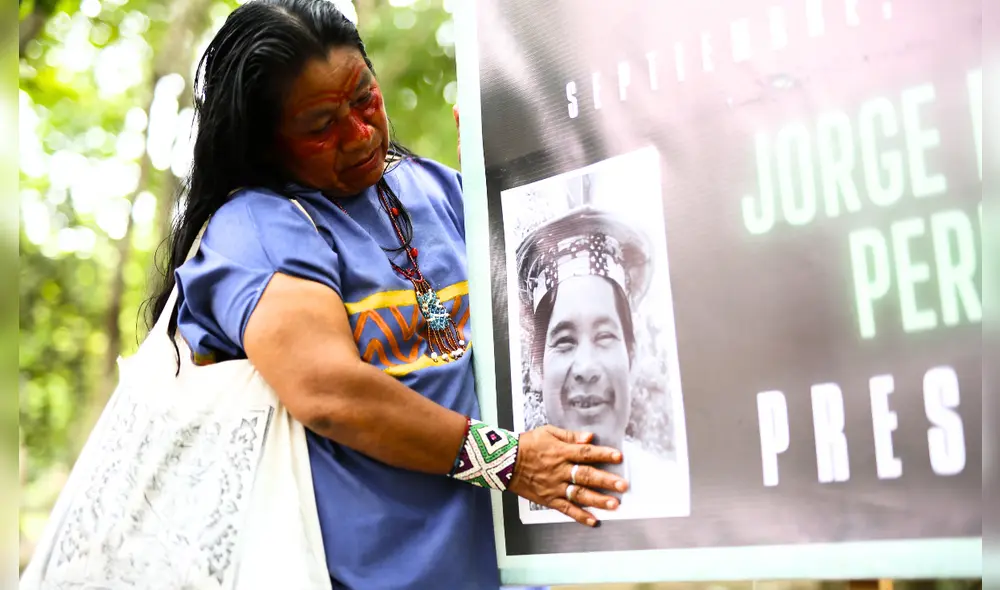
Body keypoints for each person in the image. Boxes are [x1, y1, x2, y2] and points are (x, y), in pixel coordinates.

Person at [145, 1, 630, 588]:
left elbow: (539, 295)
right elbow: (330, 393)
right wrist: (508, 460)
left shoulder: (431, 188)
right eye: (321, 126)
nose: (359, 134)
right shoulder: (256, 229)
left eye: (364, 99)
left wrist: (506, 180)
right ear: (265, 142)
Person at [515, 206, 683, 517]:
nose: (586, 368)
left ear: (631, 356)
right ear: (538, 367)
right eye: (565, 341)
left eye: (605, 336)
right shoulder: (512, 506)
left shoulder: (671, 492)